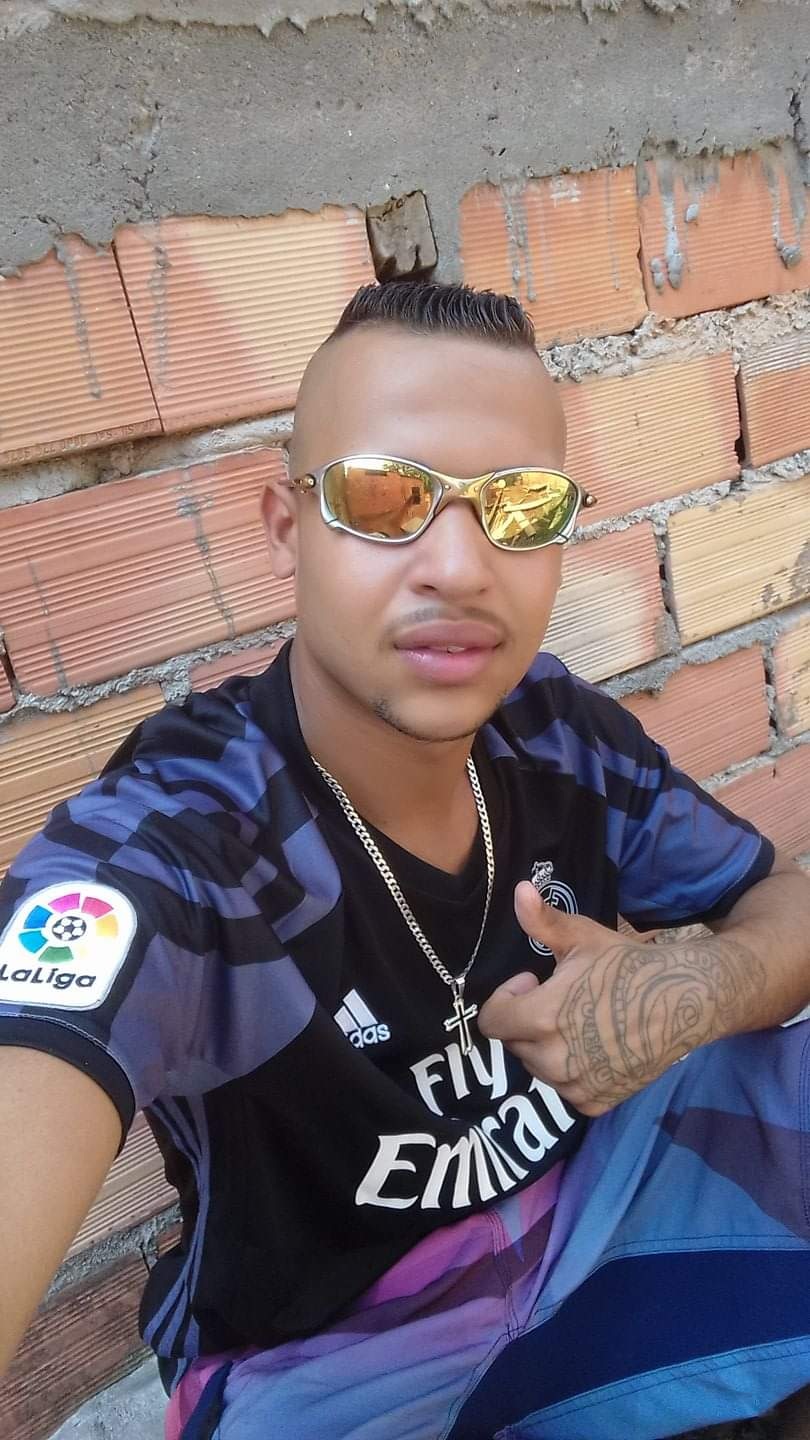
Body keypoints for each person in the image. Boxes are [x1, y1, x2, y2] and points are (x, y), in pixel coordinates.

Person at [1, 281, 810, 1440]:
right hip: (333, 1350)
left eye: (520, 506)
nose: (462, 568)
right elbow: (46, 1033)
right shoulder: (188, 839)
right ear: (287, 530)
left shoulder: (556, 734)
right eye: (386, 498)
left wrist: (695, 989)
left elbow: (788, 903)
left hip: (599, 1213)